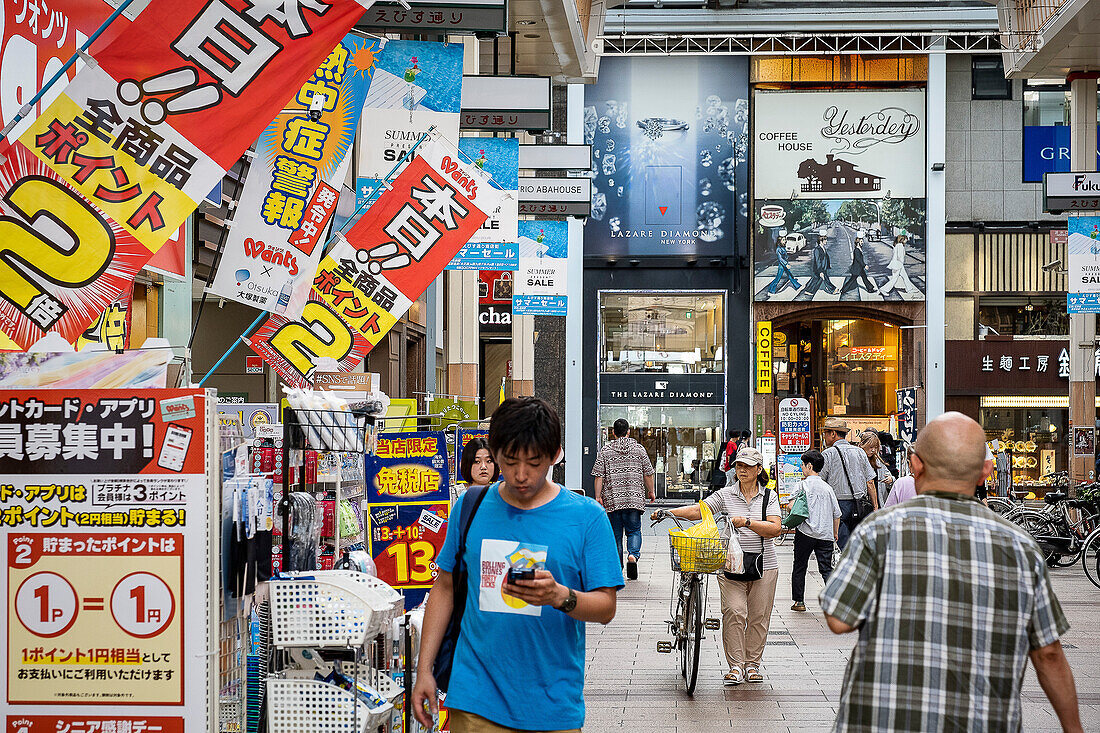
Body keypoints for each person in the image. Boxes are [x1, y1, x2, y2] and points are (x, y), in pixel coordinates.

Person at [820, 412, 1082, 733]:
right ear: (986, 471)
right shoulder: (1021, 547)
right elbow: (1049, 653)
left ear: (915, 465)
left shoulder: (879, 531)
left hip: (882, 722)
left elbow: (839, 618)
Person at [413, 397, 623, 733]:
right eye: (510, 462)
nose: (521, 475)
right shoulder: (470, 505)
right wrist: (424, 669)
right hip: (474, 697)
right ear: (494, 453)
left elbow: (606, 607)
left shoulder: (587, 518)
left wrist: (560, 596)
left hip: (552, 704)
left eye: (534, 463)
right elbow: (445, 587)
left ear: (555, 454)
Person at [653, 447, 781, 686]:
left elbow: (775, 528)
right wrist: (667, 512)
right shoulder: (725, 495)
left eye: (747, 466)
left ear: (758, 470)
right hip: (731, 564)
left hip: (765, 565)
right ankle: (735, 667)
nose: (741, 470)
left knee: (759, 617)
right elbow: (698, 511)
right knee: (734, 612)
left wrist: (748, 522)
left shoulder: (769, 496)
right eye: (738, 466)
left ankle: (752, 665)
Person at [591, 418, 655, 581]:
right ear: (628, 431)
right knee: (634, 531)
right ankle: (632, 556)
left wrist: (598, 496)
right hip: (633, 499)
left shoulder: (605, 451)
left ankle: (617, 568)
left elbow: (599, 475)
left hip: (613, 500)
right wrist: (651, 491)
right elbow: (648, 472)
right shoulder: (639, 449)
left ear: (613, 432)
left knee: (615, 535)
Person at [788, 449, 841, 613]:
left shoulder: (802, 485)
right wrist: (835, 533)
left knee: (800, 566)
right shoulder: (828, 488)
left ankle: (799, 602)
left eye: (802, 465)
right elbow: (836, 514)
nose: (801, 468)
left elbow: (791, 506)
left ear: (809, 466)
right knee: (826, 569)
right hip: (825, 535)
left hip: (805, 533)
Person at [818, 417, 877, 550]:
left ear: (833, 433)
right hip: (860, 505)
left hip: (837, 505)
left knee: (842, 547)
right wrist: (875, 506)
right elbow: (870, 482)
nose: (825, 437)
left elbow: (820, 482)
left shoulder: (827, 454)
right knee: (859, 546)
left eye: (826, 433)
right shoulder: (860, 452)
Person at [859, 432, 894, 507]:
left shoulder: (877, 460)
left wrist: (891, 479)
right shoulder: (857, 460)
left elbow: (889, 476)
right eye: (871, 447)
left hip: (879, 501)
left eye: (875, 447)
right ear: (862, 445)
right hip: (863, 503)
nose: (873, 450)